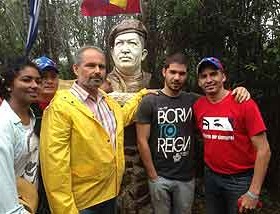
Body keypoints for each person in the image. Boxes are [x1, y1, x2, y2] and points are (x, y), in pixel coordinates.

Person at [39, 46, 155, 214]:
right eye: (90, 65)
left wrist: (141, 96)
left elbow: (120, 119)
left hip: (110, 194)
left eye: (101, 67)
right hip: (82, 204)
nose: (97, 71)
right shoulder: (60, 107)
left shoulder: (107, 101)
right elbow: (54, 168)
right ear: (75, 69)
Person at [135, 53, 250, 214]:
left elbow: (219, 99)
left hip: (186, 177)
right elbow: (142, 140)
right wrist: (153, 175)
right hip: (159, 176)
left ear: (187, 76)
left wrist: (239, 91)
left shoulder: (195, 101)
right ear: (164, 72)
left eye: (181, 73)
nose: (177, 77)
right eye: (172, 72)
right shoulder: (150, 101)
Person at [193, 57, 271, 214]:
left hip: (240, 180)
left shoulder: (243, 103)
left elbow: (264, 150)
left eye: (213, 74)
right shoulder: (198, 106)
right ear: (199, 82)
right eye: (203, 76)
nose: (208, 80)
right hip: (211, 177)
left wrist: (253, 192)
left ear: (223, 76)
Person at [0, 59, 42, 213]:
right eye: (26, 80)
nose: (35, 85)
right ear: (9, 85)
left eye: (38, 81)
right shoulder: (4, 126)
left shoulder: (35, 118)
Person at [31, 56, 59, 214]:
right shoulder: (25, 110)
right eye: (43, 77)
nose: (49, 81)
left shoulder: (65, 106)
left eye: (53, 77)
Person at [107, 18, 151, 92]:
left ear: (143, 54)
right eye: (119, 43)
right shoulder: (103, 85)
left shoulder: (155, 83)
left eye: (132, 43)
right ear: (113, 54)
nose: (125, 50)